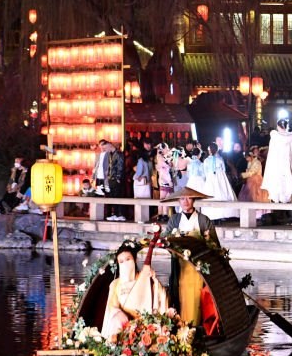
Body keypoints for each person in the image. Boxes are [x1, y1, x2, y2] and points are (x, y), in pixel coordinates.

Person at [160, 187, 221, 326]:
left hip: (199, 268)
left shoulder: (203, 220)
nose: (185, 201)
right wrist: (175, 249)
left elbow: (214, 245)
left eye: (189, 198)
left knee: (198, 298)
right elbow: (167, 242)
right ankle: (182, 326)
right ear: (178, 201)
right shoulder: (174, 220)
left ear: (194, 200)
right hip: (180, 266)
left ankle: (198, 326)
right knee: (180, 296)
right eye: (182, 199)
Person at [100, 243, 168, 339]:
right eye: (121, 261)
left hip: (145, 325)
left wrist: (154, 281)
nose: (125, 264)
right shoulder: (115, 284)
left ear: (135, 259)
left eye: (128, 259)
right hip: (123, 326)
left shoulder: (145, 278)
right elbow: (113, 307)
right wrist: (126, 321)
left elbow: (161, 295)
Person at [262, 118, 292, 223]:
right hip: (287, 166)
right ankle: (285, 214)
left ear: (278, 126)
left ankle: (277, 214)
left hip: (276, 167)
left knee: (277, 190)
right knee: (287, 188)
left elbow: (271, 154)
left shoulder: (274, 137)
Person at [202, 141, 238, 222]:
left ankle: (211, 215)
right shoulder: (220, 159)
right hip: (220, 178)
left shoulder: (206, 160)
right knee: (222, 193)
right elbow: (224, 169)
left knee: (211, 194)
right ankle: (222, 215)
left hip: (210, 178)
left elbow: (205, 172)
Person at [94, 139, 126, 221]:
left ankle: (119, 214)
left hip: (116, 178)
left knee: (117, 196)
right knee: (112, 196)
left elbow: (120, 166)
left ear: (109, 145)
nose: (104, 150)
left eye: (105, 148)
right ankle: (114, 213)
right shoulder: (110, 154)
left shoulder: (118, 154)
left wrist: (118, 178)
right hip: (110, 178)